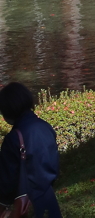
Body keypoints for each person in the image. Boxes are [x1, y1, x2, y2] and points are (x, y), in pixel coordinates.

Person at [0, 83, 61, 218]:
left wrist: (3, 203)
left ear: (8, 110)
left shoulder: (13, 138)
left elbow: (7, 180)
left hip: (25, 204)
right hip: (48, 198)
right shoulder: (45, 127)